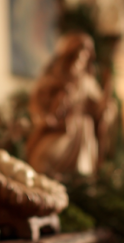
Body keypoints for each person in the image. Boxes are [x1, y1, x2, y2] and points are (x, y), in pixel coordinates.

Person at [25, 32, 115, 178]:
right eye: (77, 54)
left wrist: (106, 103)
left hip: (81, 132)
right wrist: (46, 118)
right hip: (59, 126)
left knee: (81, 167)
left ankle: (77, 178)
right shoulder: (55, 77)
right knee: (43, 157)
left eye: (85, 56)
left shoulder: (87, 82)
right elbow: (39, 101)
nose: (80, 59)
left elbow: (98, 108)